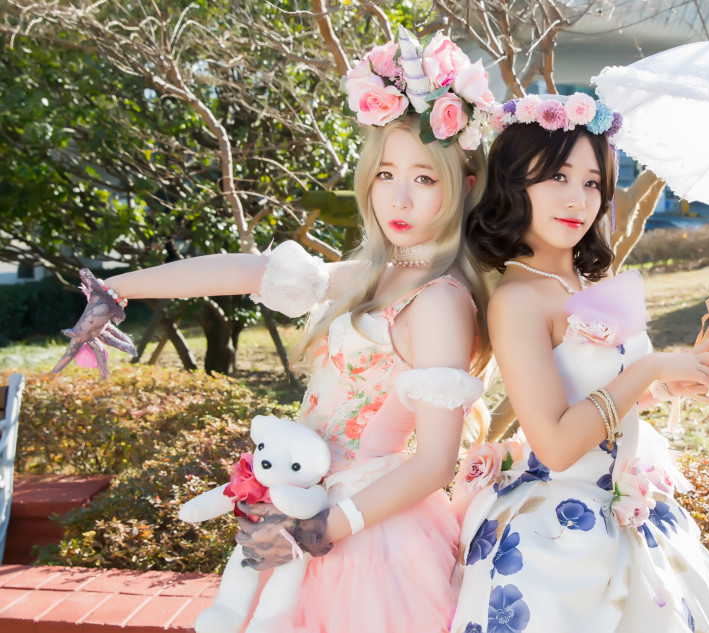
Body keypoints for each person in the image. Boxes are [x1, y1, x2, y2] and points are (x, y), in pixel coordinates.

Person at [53, 27, 497, 633]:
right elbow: (248, 271)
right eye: (385, 173)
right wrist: (118, 289)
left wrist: (323, 528)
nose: (399, 197)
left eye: (424, 178)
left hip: (366, 533)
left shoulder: (440, 300)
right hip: (302, 507)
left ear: (464, 186)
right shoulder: (379, 274)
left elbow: (436, 462)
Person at [450, 94, 709, 633]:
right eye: (557, 177)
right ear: (514, 182)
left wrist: (667, 385)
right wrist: (650, 369)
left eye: (592, 183)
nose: (577, 199)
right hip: (555, 535)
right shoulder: (517, 300)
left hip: (623, 507)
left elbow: (602, 395)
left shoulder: (588, 282)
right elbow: (557, 445)